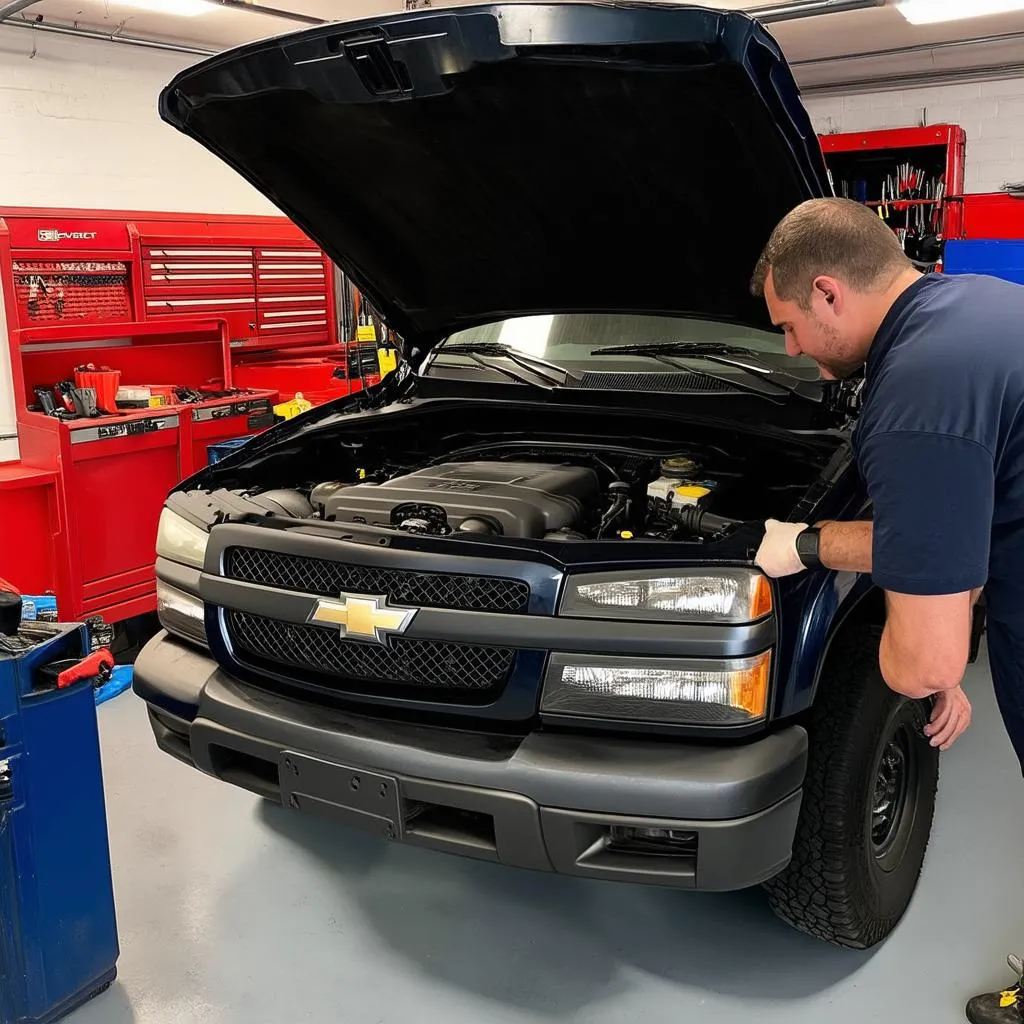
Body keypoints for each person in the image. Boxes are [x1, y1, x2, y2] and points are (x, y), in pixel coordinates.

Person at [748, 197, 1024, 1024]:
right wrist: (808, 547)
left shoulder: (913, 396)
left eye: (790, 325)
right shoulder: (976, 304)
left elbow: (924, 662)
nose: (792, 349)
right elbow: (959, 516)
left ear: (828, 291)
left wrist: (929, 652)